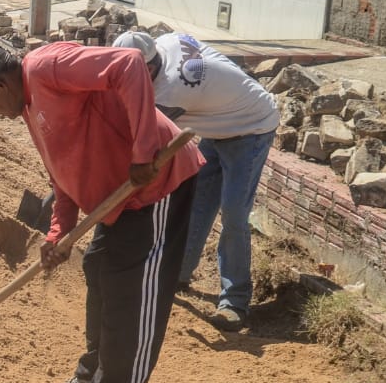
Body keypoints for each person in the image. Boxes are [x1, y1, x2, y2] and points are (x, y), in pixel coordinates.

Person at [0, 43, 204, 383]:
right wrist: (58, 234)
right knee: (97, 270)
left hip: (155, 186)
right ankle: (95, 371)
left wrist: (142, 151)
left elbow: (128, 64)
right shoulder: (29, 110)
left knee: (129, 294)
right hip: (116, 199)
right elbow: (63, 174)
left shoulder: (46, 67)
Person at [112, 31, 280, 330]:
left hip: (251, 126)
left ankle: (235, 301)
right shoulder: (165, 41)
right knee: (197, 204)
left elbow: (138, 144)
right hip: (218, 121)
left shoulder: (171, 91)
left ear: (149, 67)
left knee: (234, 214)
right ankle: (177, 273)